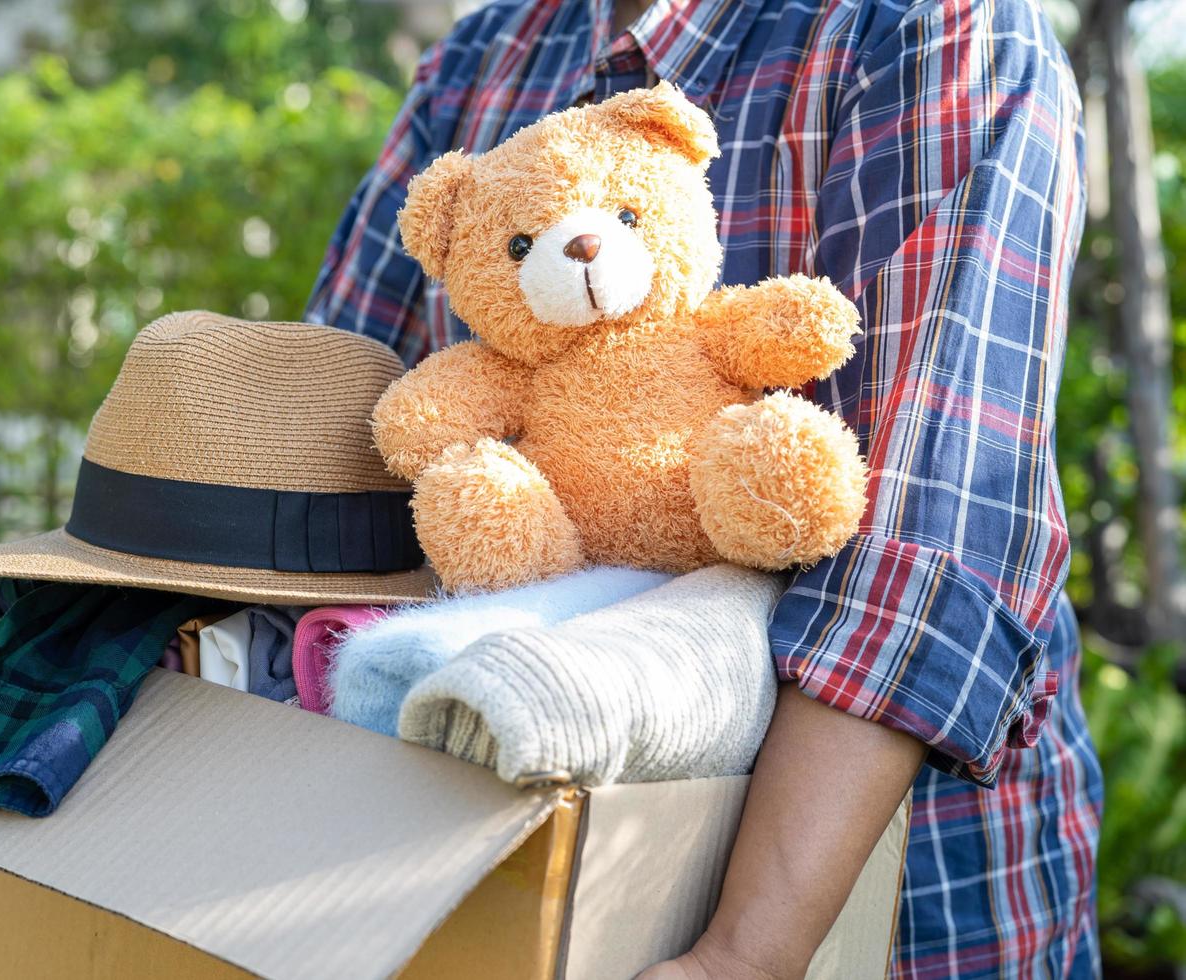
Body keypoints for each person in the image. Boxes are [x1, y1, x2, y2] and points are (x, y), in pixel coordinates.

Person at [306, 0, 1101, 976]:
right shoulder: (487, 54)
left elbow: (929, 537)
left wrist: (745, 953)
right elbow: (338, 443)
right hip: (499, 853)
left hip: (897, 899)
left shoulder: (931, 27)